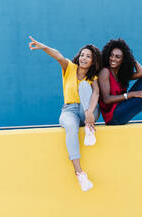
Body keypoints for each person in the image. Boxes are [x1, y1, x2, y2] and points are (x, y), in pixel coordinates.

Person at [29, 36, 101, 191]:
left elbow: (96, 93)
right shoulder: (69, 68)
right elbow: (58, 55)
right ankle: (80, 173)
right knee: (70, 127)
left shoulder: (92, 76)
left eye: (88, 56)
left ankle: (89, 127)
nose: (84, 58)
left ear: (93, 61)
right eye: (82, 55)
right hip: (69, 110)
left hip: (88, 110)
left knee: (84, 88)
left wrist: (89, 112)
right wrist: (43, 47)